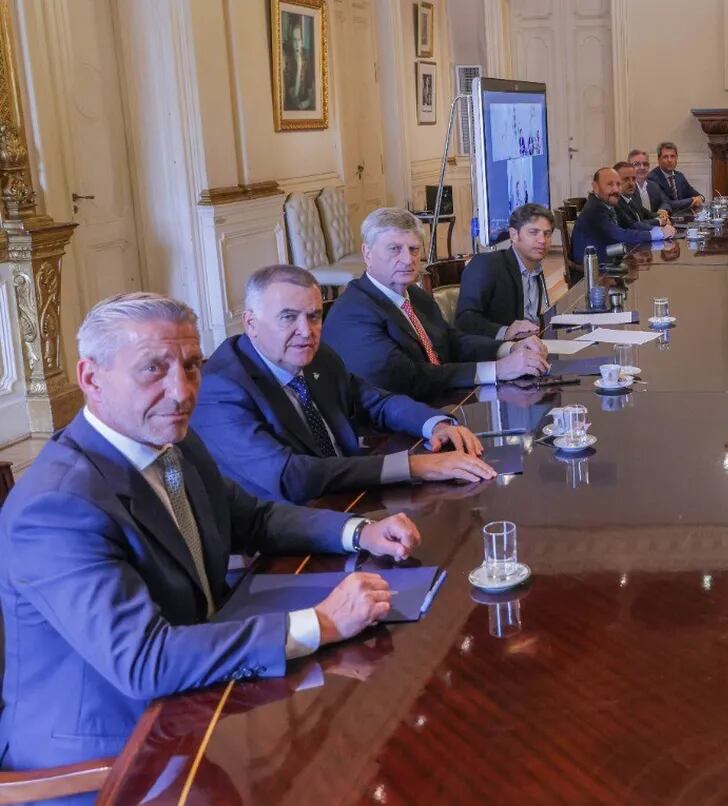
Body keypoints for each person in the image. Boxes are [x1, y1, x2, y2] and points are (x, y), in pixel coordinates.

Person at [0, 292, 420, 772]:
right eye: (153, 369)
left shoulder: (170, 440)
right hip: (109, 756)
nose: (182, 392)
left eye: (192, 366)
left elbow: (252, 518)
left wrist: (357, 531)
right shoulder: (57, 505)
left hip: (198, 697)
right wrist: (320, 624)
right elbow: (145, 660)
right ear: (91, 378)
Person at [193, 265, 496, 505]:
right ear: (250, 323)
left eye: (314, 317)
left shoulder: (317, 355)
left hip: (352, 495)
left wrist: (435, 424)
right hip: (293, 527)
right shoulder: (221, 389)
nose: (306, 331)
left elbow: (374, 402)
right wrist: (415, 466)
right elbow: (291, 475)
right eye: (288, 318)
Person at [322, 207, 549, 403]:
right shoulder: (353, 313)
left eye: (413, 249)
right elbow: (408, 379)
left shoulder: (416, 296)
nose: (408, 259)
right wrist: (497, 370)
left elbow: (452, 341)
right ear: (367, 253)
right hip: (390, 432)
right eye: (394, 249)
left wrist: (508, 348)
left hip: (445, 403)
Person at [456, 204, 555, 338]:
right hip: (495, 351)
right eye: (533, 232)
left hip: (530, 344)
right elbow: (465, 320)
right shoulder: (486, 265)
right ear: (514, 235)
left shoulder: (536, 269)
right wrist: (505, 332)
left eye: (547, 234)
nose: (542, 240)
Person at [571, 166, 676, 263]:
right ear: (595, 187)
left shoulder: (608, 202)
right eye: (610, 184)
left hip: (608, 255)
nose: (616, 190)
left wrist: (659, 230)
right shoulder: (594, 209)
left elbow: (630, 225)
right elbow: (620, 235)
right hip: (593, 268)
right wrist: (659, 234)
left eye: (618, 184)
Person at [647, 142, 704, 213]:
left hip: (684, 218)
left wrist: (700, 198)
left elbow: (697, 195)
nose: (670, 160)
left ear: (677, 158)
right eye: (665, 157)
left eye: (672, 156)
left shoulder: (679, 176)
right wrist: (692, 200)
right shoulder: (652, 178)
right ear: (658, 159)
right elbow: (668, 203)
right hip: (664, 220)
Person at [614, 161, 670, 230]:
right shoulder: (615, 203)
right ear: (615, 182)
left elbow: (648, 214)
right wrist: (659, 221)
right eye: (626, 179)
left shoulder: (633, 198)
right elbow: (634, 225)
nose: (631, 183)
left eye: (633, 179)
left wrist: (663, 216)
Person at [282, 17, 313, 111]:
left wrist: (307, 102)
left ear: (302, 42)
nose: (297, 44)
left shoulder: (307, 58)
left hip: (305, 104)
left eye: (299, 40)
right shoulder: (288, 61)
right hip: (293, 107)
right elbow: (293, 96)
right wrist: (299, 67)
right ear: (291, 42)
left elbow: (311, 92)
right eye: (294, 40)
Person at [627, 149, 665, 215]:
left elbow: (665, 202)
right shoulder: (627, 189)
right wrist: (658, 220)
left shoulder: (653, 185)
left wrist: (663, 210)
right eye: (637, 164)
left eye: (645, 164)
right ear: (629, 167)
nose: (642, 167)